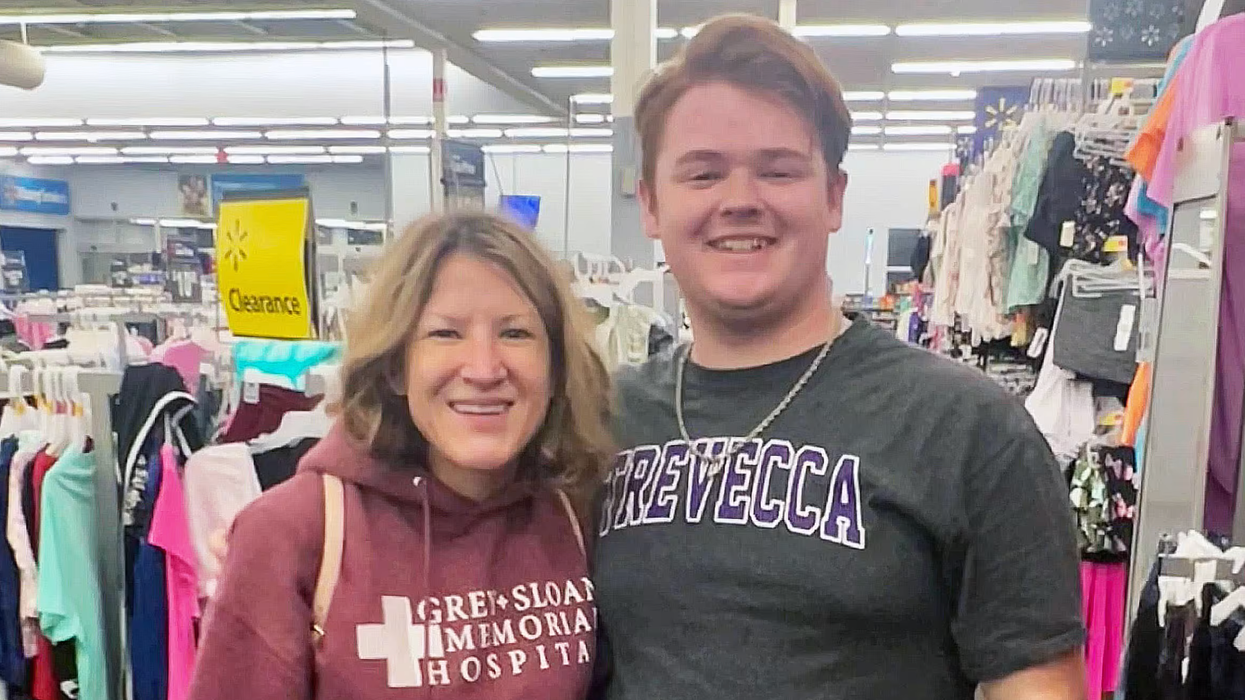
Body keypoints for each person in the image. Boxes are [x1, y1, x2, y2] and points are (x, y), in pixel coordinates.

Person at [591, 13, 1087, 700]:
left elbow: (1036, 684)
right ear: (650, 204)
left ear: (832, 197)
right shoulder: (599, 420)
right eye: (702, 174)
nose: (739, 201)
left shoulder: (966, 427)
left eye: (777, 170)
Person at [189, 211, 613, 700]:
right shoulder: (294, 533)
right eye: (445, 333)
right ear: (395, 365)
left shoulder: (577, 515)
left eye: (515, 333)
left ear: (556, 367)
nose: (483, 368)